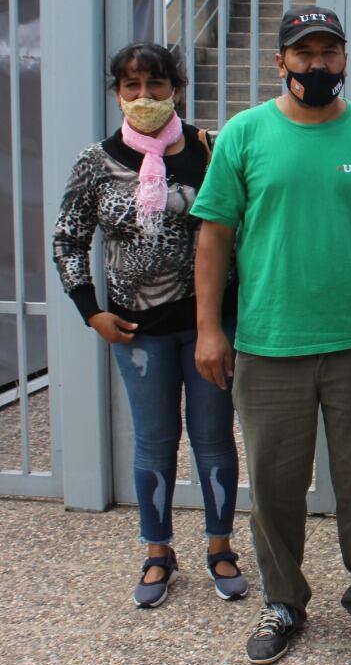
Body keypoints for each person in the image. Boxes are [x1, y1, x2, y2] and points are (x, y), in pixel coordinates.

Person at [191, 6, 351, 665]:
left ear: (346, 59)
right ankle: (284, 601)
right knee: (273, 485)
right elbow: (213, 236)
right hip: (269, 345)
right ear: (281, 62)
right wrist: (210, 328)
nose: (318, 63)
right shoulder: (246, 135)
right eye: (305, 53)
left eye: (330, 51)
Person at [52, 42, 247, 610]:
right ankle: (157, 550)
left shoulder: (209, 151)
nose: (145, 97)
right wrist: (91, 309)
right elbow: (68, 237)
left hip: (210, 328)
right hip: (137, 335)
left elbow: (241, 228)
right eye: (132, 86)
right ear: (117, 92)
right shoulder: (97, 161)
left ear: (176, 90)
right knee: (154, 443)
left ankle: (220, 546)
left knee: (213, 440)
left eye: (156, 85)